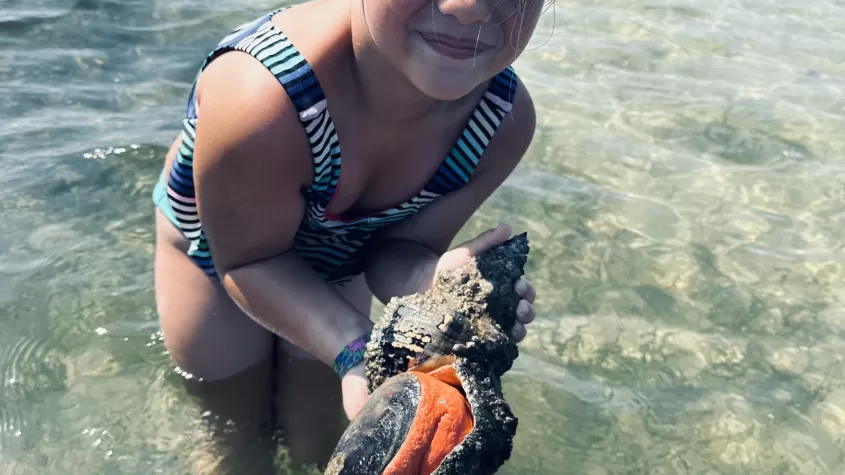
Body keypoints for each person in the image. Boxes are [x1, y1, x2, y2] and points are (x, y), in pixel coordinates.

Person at [151, 0, 542, 469]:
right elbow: (248, 260)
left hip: (341, 254)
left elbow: (396, 248)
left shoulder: (501, 122)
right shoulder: (261, 94)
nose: (468, 9)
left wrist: (428, 278)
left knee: (319, 438)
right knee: (233, 435)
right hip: (221, 252)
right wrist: (354, 345)